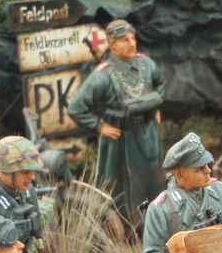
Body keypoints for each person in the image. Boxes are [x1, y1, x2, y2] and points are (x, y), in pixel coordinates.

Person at [69, 18, 165, 223]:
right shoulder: (102, 76)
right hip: (121, 139)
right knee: (120, 190)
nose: (131, 43)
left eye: (133, 38)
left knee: (155, 181)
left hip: (149, 134)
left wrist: (155, 107)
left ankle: (157, 221)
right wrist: (99, 126)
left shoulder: (147, 64)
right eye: (124, 40)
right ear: (112, 45)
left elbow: (160, 82)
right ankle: (126, 228)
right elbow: (76, 108)